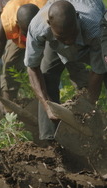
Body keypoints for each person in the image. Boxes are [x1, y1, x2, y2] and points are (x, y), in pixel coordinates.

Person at [24, 0, 107, 141]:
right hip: (56, 43)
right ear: (50, 25)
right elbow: (32, 67)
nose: (68, 42)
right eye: (63, 37)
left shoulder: (94, 27)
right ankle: (50, 141)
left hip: (87, 38)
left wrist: (87, 108)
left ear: (77, 17)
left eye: (71, 35)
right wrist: (47, 106)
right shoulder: (38, 27)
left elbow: (97, 71)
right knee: (47, 75)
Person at [0, 0, 47, 114]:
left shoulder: (48, 13)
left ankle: (83, 94)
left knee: (48, 69)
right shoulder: (8, 18)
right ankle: (9, 110)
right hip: (22, 31)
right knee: (10, 65)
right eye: (27, 33)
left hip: (44, 32)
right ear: (17, 24)